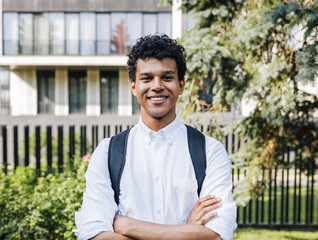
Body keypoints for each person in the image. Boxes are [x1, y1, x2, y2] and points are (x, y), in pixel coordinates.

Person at [74, 34, 237, 240]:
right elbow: (92, 234)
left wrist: (128, 226)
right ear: (134, 86)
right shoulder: (108, 152)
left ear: (181, 85)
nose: (157, 86)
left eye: (167, 77)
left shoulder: (209, 151)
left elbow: (217, 236)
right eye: (147, 78)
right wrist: (187, 232)